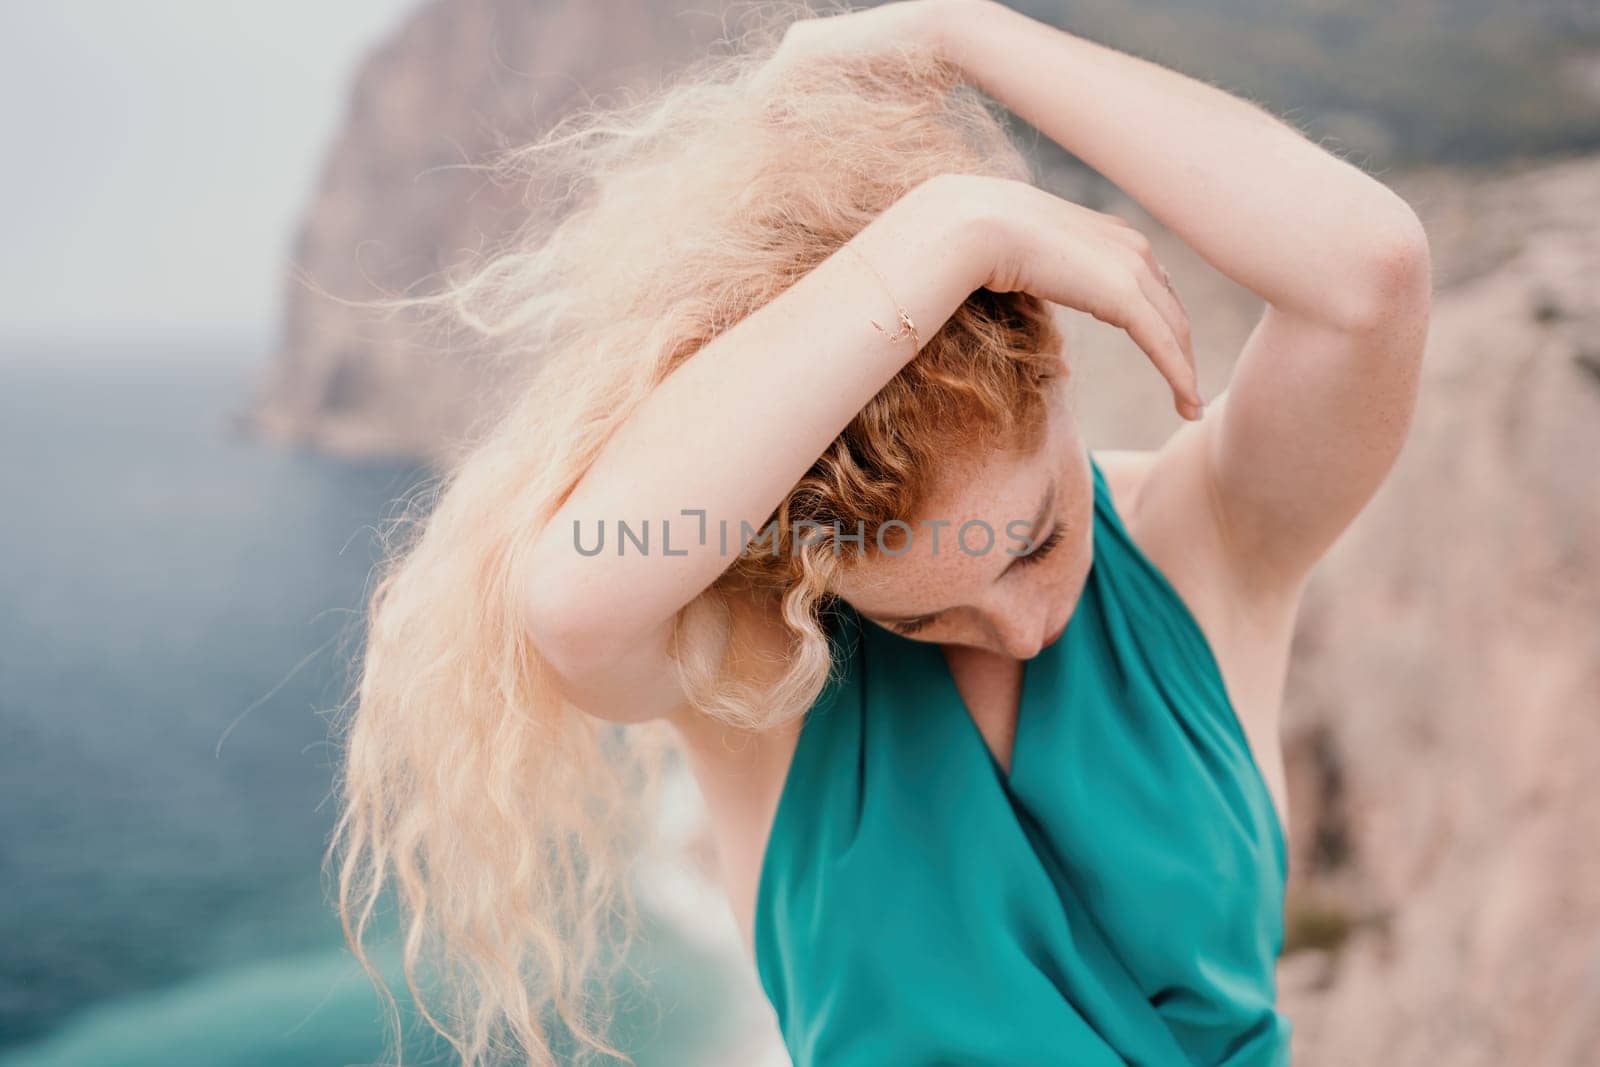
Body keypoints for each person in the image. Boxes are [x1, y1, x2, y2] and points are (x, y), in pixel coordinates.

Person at [328, 1, 1432, 1064]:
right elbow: (569, 596)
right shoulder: (765, 669)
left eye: (1035, 540)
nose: (1020, 627)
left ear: (1053, 365)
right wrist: (958, 225)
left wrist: (959, 32)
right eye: (923, 609)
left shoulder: (1208, 542)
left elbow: (1367, 274)